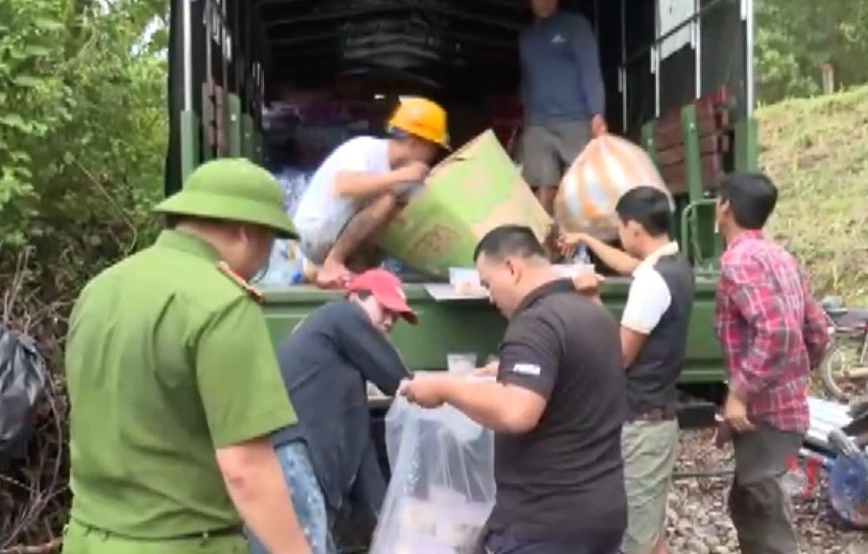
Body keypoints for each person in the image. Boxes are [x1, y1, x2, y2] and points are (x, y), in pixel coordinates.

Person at [61, 158, 312, 554]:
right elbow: (247, 468)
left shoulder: (100, 289)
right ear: (248, 233)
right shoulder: (222, 304)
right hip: (182, 543)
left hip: (86, 538)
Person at [400, 224, 628, 553]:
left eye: (489, 284)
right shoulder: (594, 315)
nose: (490, 297)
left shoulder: (536, 322)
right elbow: (577, 383)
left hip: (546, 522)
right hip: (601, 512)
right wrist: (509, 373)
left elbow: (516, 411)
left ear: (512, 268)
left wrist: (445, 387)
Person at [247, 269, 416, 554]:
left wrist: (387, 523)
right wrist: (440, 389)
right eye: (385, 308)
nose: (389, 321)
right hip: (291, 455)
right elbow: (396, 379)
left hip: (292, 461)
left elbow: (363, 453)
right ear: (355, 297)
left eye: (396, 317)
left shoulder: (341, 366)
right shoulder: (341, 314)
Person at [562, 187, 693, 554]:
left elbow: (617, 356)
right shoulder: (673, 265)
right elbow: (627, 265)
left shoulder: (651, 283)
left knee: (637, 540)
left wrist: (590, 298)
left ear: (634, 228)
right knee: (650, 536)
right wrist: (586, 239)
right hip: (657, 416)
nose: (620, 235)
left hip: (641, 423)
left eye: (620, 227)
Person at [713, 173, 830, 554]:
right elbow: (817, 330)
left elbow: (776, 331)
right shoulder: (782, 257)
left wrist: (740, 393)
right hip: (785, 409)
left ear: (725, 206)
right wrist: (793, 377)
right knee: (748, 504)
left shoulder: (738, 262)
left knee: (765, 519)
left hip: (764, 414)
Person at [292, 96, 449, 288]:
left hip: (342, 237)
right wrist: (401, 176)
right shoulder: (364, 148)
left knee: (399, 211)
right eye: (432, 147)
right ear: (415, 142)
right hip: (315, 235)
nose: (432, 156)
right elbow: (344, 186)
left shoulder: (408, 176)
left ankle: (358, 271)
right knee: (386, 201)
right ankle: (332, 264)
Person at [519, 0, 607, 215]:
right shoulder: (526, 39)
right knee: (543, 187)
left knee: (576, 184)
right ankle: (544, 245)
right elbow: (527, 83)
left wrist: (597, 113)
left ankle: (576, 242)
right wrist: (526, 123)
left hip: (575, 119)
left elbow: (590, 70)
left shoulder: (575, 26)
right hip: (537, 124)